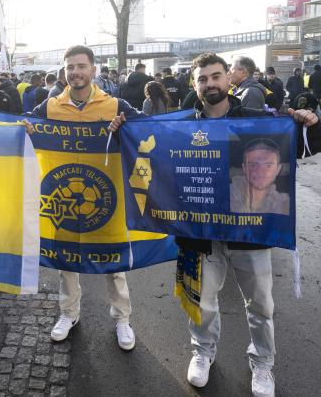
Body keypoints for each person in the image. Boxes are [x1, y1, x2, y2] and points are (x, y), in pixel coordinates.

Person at [110, 52, 319, 397]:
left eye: (216, 76)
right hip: (198, 236)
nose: (210, 84)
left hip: (248, 233)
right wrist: (121, 133)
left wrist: (310, 122)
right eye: (203, 79)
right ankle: (202, 352)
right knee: (202, 301)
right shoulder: (181, 128)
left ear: (228, 79)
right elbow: (144, 151)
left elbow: (303, 148)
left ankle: (263, 362)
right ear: (195, 84)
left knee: (261, 304)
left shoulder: (257, 119)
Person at [31, 45, 139, 351]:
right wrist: (24, 127)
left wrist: (125, 129)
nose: (75, 72)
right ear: (65, 73)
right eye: (70, 68)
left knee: (113, 263)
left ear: (93, 70)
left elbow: (150, 130)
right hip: (63, 199)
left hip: (107, 199)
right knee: (67, 261)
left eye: (81, 66)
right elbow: (24, 126)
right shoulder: (50, 107)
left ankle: (122, 318)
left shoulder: (115, 105)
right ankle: (69, 314)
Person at [229, 138, 289, 214]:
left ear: (278, 169)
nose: (260, 172)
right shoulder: (224, 195)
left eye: (268, 165)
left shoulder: (284, 204)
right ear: (244, 168)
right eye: (253, 165)